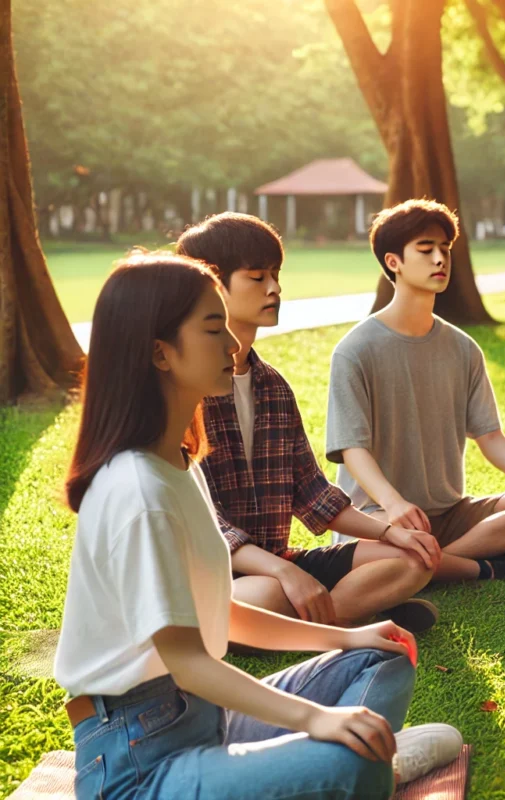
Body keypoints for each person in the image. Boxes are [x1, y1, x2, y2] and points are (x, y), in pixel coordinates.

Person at [54, 252, 462, 800]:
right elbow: (190, 661)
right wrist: (317, 721)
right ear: (160, 352)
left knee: (380, 658)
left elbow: (218, 615)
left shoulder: (178, 464)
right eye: (212, 327)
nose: (230, 344)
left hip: (206, 721)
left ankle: (330, 768)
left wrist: (345, 636)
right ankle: (360, 770)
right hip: (137, 761)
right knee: (353, 764)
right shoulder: (137, 488)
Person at [177, 213, 441, 634]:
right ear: (212, 287)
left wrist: (390, 533)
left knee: (413, 558)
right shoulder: (182, 391)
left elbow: (313, 493)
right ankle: (348, 618)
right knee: (267, 595)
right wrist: (285, 575)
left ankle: (326, 617)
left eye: (276, 275)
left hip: (279, 559)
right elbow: (204, 525)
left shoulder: (273, 386)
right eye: (257, 277)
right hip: (214, 575)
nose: (275, 288)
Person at [326, 199, 505, 583]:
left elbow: (490, 436)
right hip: (381, 517)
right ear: (393, 262)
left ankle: (432, 564)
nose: (440, 258)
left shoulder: (463, 348)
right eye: (425, 249)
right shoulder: (354, 351)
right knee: (394, 542)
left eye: (444, 249)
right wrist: (395, 503)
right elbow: (353, 449)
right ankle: (478, 567)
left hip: (450, 514)